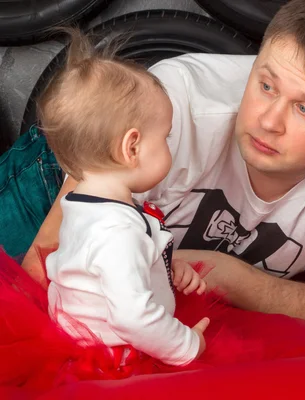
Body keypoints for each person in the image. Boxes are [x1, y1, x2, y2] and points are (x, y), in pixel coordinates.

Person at [19, 0, 305, 330]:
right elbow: (48, 259)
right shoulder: (176, 107)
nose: (269, 122)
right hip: (57, 178)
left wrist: (221, 273)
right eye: (266, 86)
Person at [37, 28, 211, 367]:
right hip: (118, 358)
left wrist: (165, 265)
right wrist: (188, 346)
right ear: (131, 148)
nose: (169, 146)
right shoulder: (117, 231)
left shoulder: (83, 204)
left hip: (88, 337)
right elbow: (132, 316)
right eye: (165, 137)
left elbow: (100, 269)